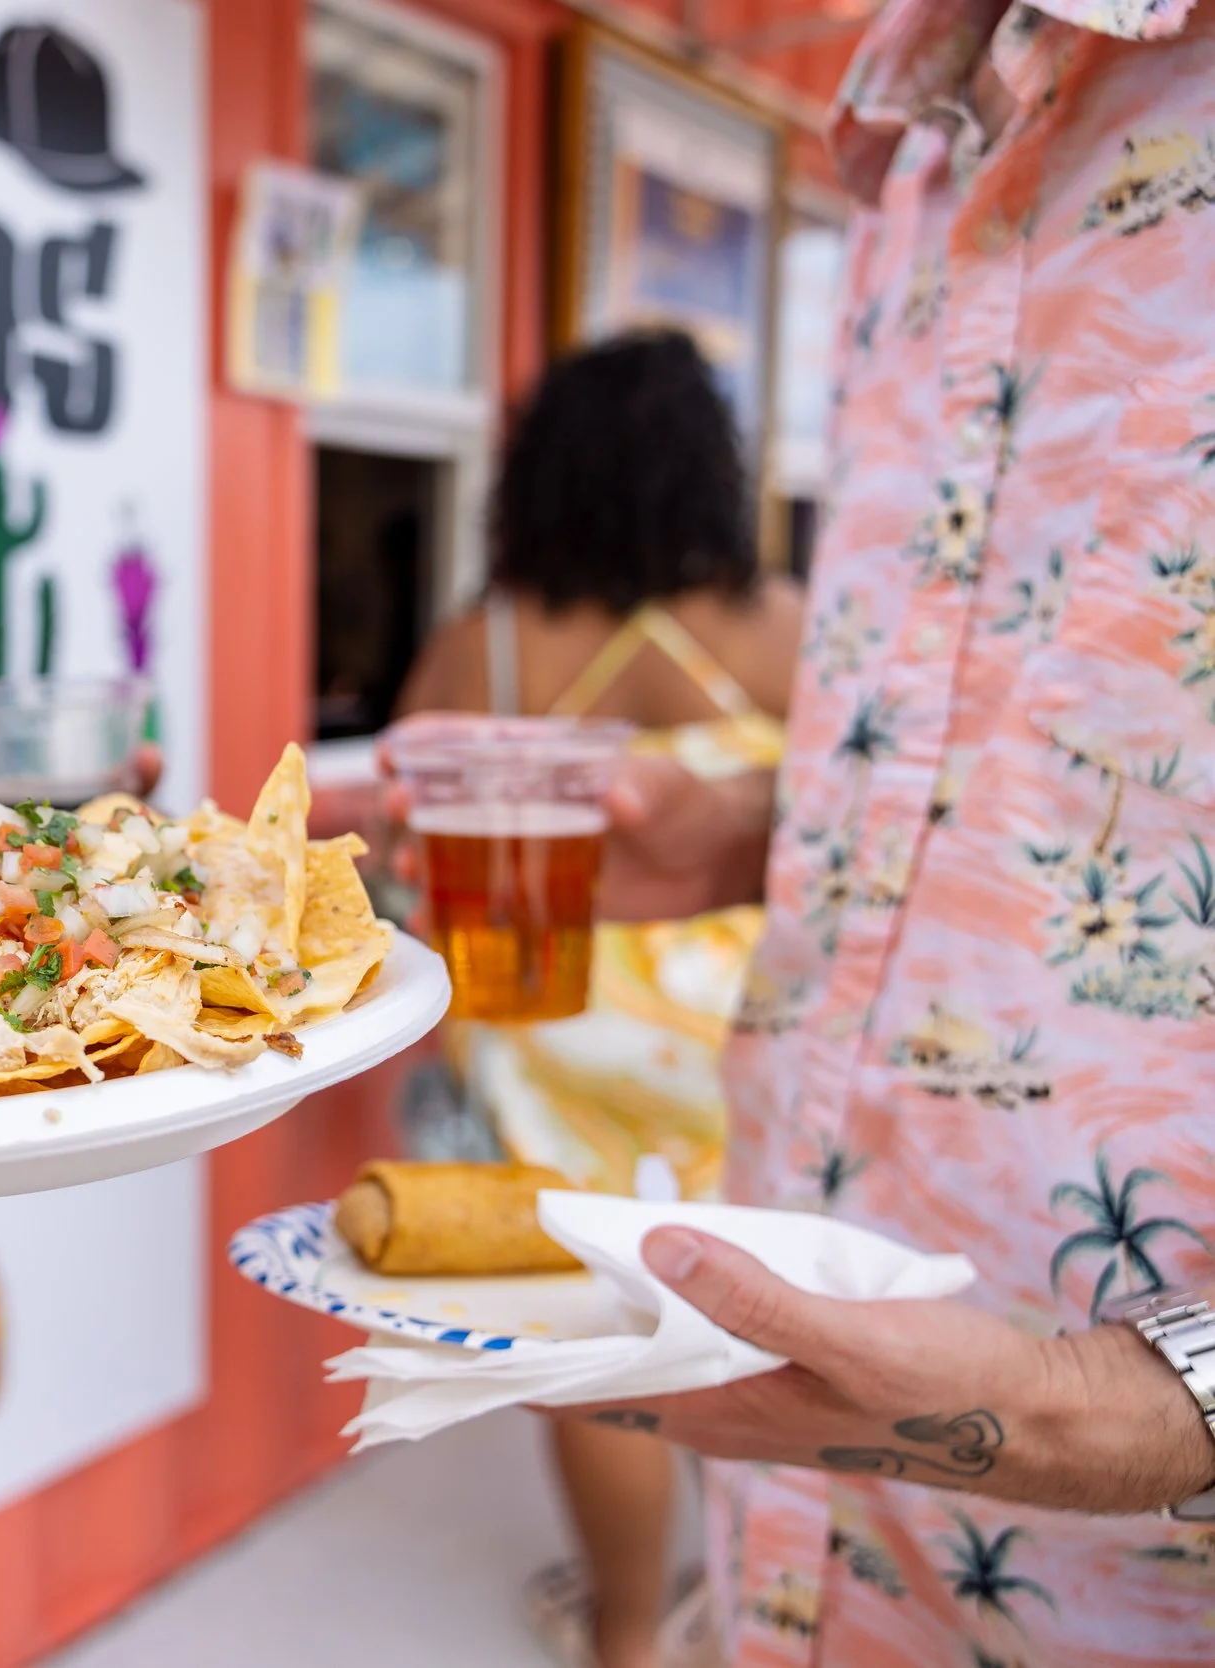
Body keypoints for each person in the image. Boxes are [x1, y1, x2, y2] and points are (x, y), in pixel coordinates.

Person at [413, 4, 1215, 1663]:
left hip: (1117, 1587)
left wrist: (1126, 1400)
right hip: (720, 1135)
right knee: (655, 1327)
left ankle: (619, 1626)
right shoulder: (903, 152)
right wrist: (775, 819)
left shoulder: (481, 631)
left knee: (601, 1326)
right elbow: (998, 751)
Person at [392, 331, 804, 1668]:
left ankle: (628, 1637)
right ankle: (759, 1621)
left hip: (546, 1027)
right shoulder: (784, 628)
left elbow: (408, 846)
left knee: (601, 1353)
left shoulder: (485, 644)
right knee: (767, 1331)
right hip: (736, 1035)